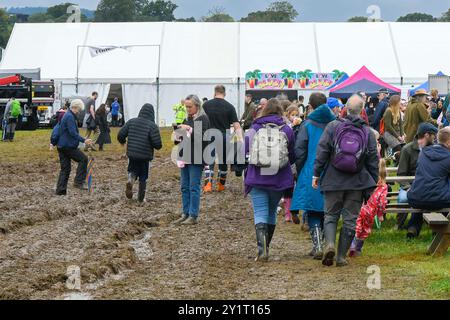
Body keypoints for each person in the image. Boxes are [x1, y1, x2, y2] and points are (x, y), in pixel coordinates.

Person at [314, 94, 379, 267]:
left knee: (330, 215)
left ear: (345, 109)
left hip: (333, 180)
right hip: (357, 183)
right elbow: (373, 159)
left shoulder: (333, 126)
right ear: (362, 110)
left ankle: (329, 244)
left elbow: (322, 151)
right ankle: (341, 257)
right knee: (350, 219)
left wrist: (316, 174)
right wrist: (371, 184)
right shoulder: (367, 132)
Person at [244, 98, 295, 261]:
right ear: (281, 112)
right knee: (271, 211)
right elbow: (292, 155)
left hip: (257, 176)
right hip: (278, 177)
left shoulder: (255, 127)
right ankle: (267, 247)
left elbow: (245, 150)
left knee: (260, 211)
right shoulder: (287, 129)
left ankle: (262, 250)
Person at [291, 92, 336, 259]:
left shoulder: (307, 125)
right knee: (328, 210)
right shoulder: (336, 124)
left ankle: (317, 245)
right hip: (332, 171)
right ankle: (324, 243)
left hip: (311, 170)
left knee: (313, 209)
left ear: (310, 106)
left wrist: (300, 170)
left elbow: (300, 150)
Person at [172, 95, 210, 226]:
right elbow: (181, 139)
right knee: (184, 187)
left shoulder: (203, 119)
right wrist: (178, 135)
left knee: (193, 187)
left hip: (197, 157)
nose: (187, 109)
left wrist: (189, 129)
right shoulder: (187, 119)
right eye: (186, 107)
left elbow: (203, 138)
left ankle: (193, 215)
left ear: (197, 106)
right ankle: (185, 213)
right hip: (185, 156)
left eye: (190, 107)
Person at [405, 127, 450, 238]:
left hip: (415, 198)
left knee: (425, 194)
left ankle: (413, 227)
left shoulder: (423, 153)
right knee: (437, 194)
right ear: (448, 142)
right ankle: (440, 229)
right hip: (439, 200)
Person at [118, 103, 162, 203]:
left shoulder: (131, 121)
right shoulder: (153, 126)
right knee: (143, 177)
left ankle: (130, 180)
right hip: (145, 157)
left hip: (132, 155)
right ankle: (140, 199)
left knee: (132, 170)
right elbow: (158, 144)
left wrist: (123, 141)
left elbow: (120, 134)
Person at [202, 85, 242, 192]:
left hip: (209, 135)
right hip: (224, 136)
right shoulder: (230, 107)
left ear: (215, 92)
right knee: (223, 161)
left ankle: (208, 185)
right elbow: (236, 125)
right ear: (224, 93)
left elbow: (200, 120)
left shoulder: (206, 105)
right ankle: (221, 184)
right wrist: (240, 138)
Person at [349, 159, 388, 257]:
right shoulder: (384, 187)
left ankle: (353, 244)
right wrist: (380, 215)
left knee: (357, 226)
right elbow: (381, 202)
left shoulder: (367, 181)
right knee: (365, 229)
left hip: (361, 207)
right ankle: (358, 249)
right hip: (370, 212)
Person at [54, 99, 93, 195]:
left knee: (65, 169)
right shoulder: (70, 117)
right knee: (83, 159)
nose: (79, 112)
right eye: (79, 110)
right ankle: (78, 182)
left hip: (61, 146)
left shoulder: (67, 115)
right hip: (68, 146)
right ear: (75, 107)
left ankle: (60, 191)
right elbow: (72, 133)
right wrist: (84, 140)